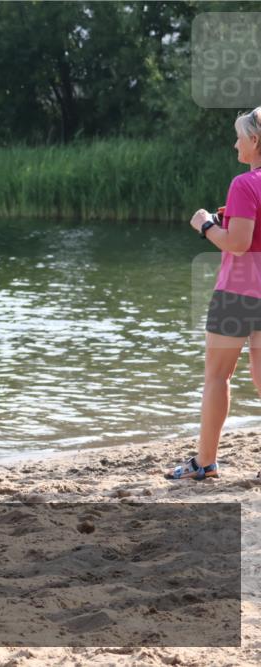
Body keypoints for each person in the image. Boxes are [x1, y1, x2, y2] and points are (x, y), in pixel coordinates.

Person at [168, 107, 261, 480]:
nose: (234, 142)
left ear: (255, 141)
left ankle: (204, 463)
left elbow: (237, 244)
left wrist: (205, 224)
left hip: (238, 294)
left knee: (217, 377)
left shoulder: (244, 184)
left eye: (239, 135)